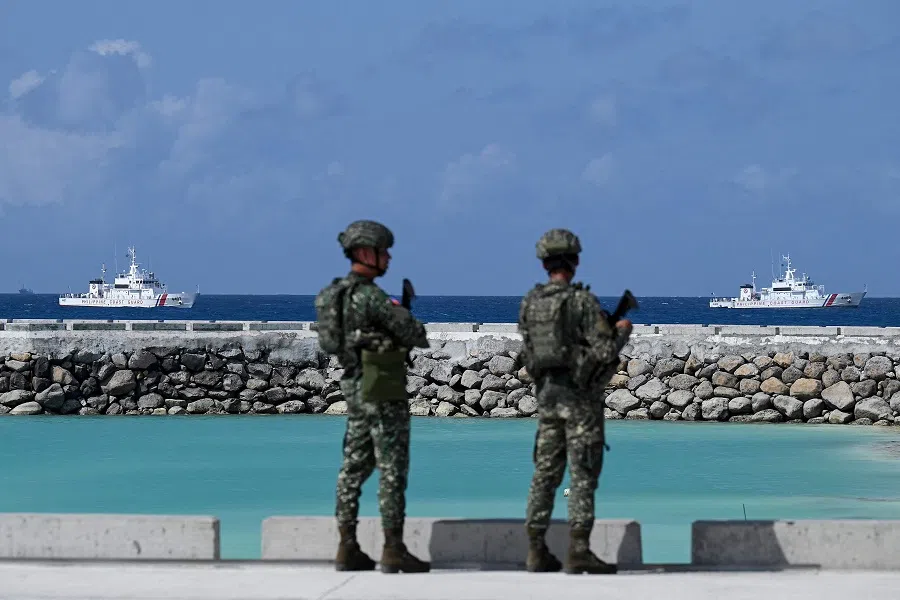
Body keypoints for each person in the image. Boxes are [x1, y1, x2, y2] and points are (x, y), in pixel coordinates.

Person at [314, 219, 431, 574]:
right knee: (392, 467)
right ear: (365, 253)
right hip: (382, 387)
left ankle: (346, 546)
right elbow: (416, 334)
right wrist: (401, 313)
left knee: (353, 467)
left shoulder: (334, 294)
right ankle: (393, 548)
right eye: (382, 251)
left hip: (354, 387)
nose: (388, 257)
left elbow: (329, 342)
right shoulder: (371, 297)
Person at [517, 228, 632, 575]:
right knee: (582, 475)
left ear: (544, 263)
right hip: (581, 401)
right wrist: (622, 330)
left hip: (548, 398)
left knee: (544, 474)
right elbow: (604, 349)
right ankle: (579, 550)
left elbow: (528, 350)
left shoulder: (530, 303)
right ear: (575, 262)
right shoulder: (582, 302)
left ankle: (536, 549)